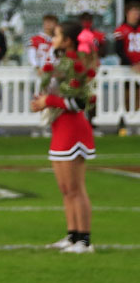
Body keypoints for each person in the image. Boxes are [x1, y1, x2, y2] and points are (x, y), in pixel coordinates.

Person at [31, 19, 96, 253]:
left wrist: (48, 100)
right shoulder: (61, 63)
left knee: (76, 187)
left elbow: (80, 102)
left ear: (68, 40)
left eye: (57, 36)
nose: (53, 40)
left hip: (74, 129)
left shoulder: (78, 63)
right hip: (60, 128)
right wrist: (41, 102)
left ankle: (84, 241)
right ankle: (72, 236)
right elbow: (57, 94)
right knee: (65, 189)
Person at [113, 2, 140, 113]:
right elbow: (118, 50)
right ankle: (126, 120)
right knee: (128, 94)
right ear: (127, 13)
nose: (136, 14)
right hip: (127, 66)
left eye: (138, 11)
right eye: (133, 11)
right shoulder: (120, 30)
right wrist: (131, 64)